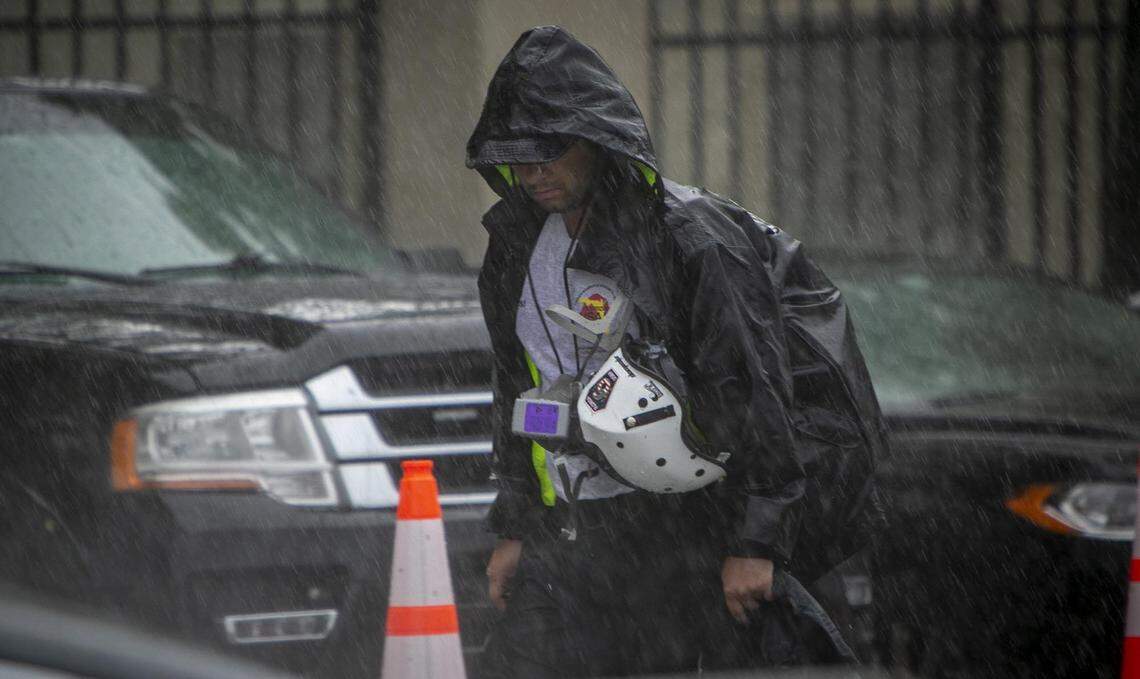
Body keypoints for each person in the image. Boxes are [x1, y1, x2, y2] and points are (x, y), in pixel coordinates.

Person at [465, 26, 886, 678]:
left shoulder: (688, 238)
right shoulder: (515, 247)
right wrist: (516, 526)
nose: (532, 172)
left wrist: (756, 541)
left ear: (596, 139)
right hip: (570, 536)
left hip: (681, 531)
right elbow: (514, 387)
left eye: (549, 152)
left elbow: (753, 386)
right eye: (518, 155)